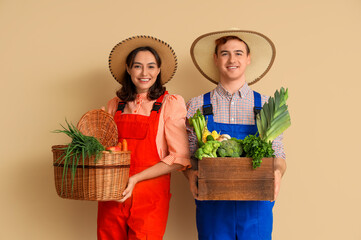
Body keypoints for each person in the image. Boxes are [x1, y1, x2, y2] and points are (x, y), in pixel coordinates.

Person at [184, 30, 287, 240]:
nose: (232, 59)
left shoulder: (267, 105)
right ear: (215, 59)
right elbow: (189, 157)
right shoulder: (196, 105)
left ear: (248, 59)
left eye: (239, 53)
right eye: (225, 53)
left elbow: (279, 155)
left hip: (256, 206)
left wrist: (277, 173)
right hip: (213, 207)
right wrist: (190, 175)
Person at [97, 36, 191, 240]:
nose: (144, 73)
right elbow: (106, 151)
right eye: (137, 66)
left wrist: (135, 178)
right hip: (113, 194)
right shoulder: (115, 105)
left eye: (151, 66)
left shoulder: (169, 103)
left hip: (150, 197)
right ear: (128, 69)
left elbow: (180, 157)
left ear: (158, 70)